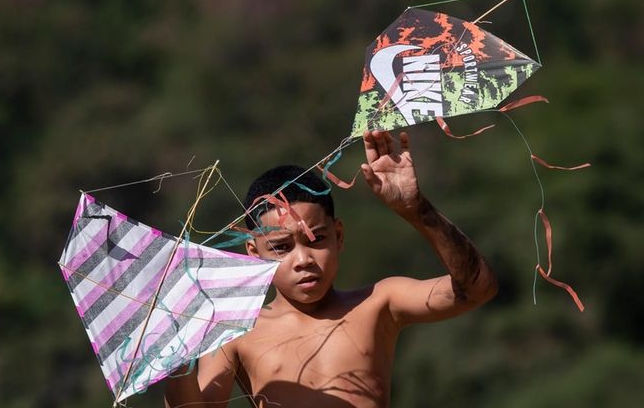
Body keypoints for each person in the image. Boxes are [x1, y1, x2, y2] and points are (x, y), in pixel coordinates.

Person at [164, 130, 498, 408]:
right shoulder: (236, 333)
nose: (303, 259)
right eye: (281, 247)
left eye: (316, 239)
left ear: (338, 236)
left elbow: (477, 288)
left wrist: (416, 209)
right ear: (253, 253)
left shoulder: (378, 303)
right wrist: (169, 354)